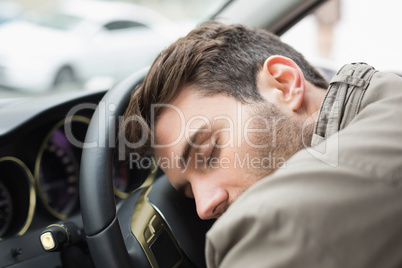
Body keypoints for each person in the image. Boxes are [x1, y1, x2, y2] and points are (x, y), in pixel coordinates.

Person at [122, 22, 402, 267]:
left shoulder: (267, 230)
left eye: (208, 153)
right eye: (189, 194)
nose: (204, 207)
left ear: (284, 84)